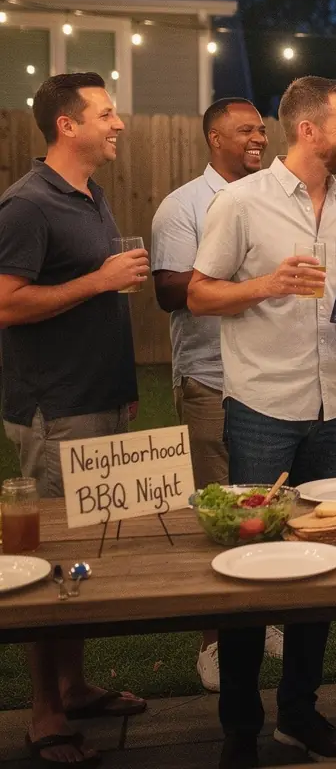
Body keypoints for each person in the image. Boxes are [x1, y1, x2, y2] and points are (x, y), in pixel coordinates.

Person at [189, 77, 336, 769]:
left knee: (325, 563)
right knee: (249, 571)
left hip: (335, 406)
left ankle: (299, 715)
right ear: (309, 131)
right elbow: (197, 292)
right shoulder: (240, 203)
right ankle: (238, 729)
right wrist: (266, 286)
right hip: (262, 411)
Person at [0, 73, 148, 768]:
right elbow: (5, 303)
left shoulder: (90, 195)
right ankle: (44, 713)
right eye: (106, 113)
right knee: (46, 562)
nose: (118, 123)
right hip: (54, 409)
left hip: (99, 397)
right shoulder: (27, 205)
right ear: (68, 125)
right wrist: (100, 280)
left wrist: (124, 388)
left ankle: (76, 685)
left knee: (83, 559)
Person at [151, 97, 278, 693]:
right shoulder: (184, 205)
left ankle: (262, 617)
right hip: (207, 375)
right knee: (216, 509)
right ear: (213, 138)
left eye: (261, 129)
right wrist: (250, 280)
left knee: (265, 501)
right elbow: (172, 291)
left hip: (266, 378)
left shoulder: (272, 199)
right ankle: (214, 639)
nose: (258, 138)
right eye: (244, 131)